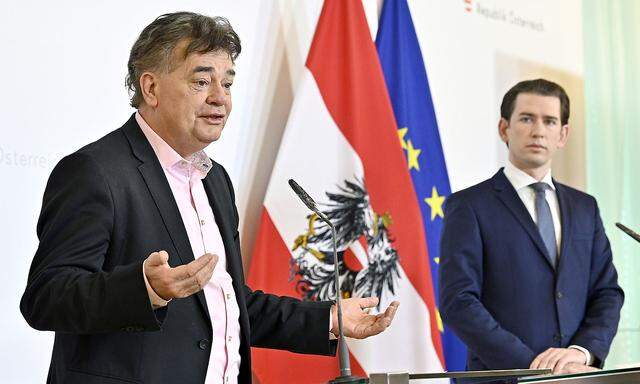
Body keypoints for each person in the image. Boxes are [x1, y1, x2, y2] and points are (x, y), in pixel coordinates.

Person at [20, 12, 399, 384]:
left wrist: (327, 320)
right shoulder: (95, 172)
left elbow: (226, 303)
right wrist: (145, 289)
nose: (220, 98)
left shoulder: (214, 179)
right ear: (150, 88)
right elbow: (47, 296)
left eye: (228, 83)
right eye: (202, 81)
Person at [439, 79, 623, 375]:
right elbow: (458, 301)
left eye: (550, 121)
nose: (538, 130)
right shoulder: (469, 206)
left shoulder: (585, 207)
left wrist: (581, 353)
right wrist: (533, 368)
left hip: (577, 377)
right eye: (526, 118)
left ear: (562, 134)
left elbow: (607, 292)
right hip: (503, 378)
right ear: (504, 128)